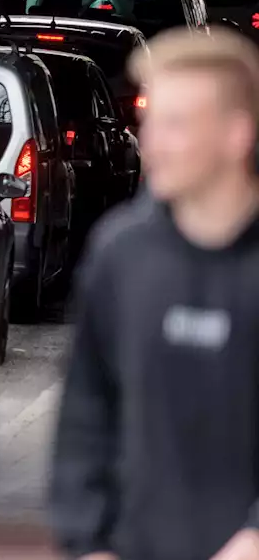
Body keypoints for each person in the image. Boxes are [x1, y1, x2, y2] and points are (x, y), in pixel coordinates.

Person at [50, 28, 259, 560]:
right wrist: (88, 541)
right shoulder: (119, 253)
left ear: (238, 134)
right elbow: (85, 415)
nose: (151, 143)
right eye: (149, 123)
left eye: (176, 124)